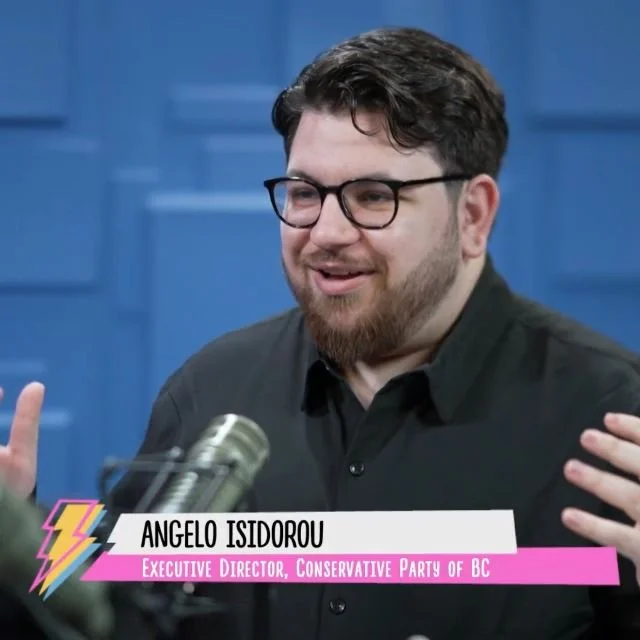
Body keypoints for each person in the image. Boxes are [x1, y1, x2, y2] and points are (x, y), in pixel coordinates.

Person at [1, 26, 640, 640]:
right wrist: (12, 543)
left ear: (472, 214)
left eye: (373, 195)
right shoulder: (209, 392)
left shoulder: (609, 416)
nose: (327, 233)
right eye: (305, 192)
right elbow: (109, 619)